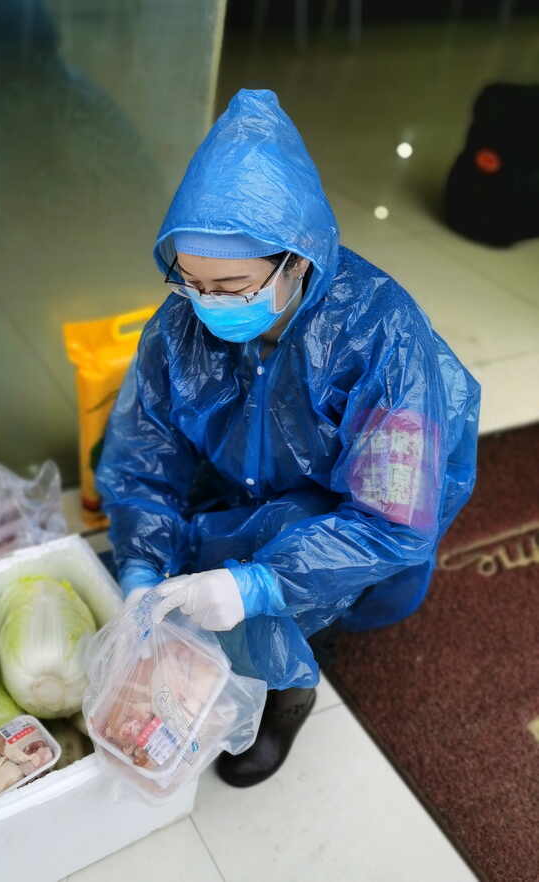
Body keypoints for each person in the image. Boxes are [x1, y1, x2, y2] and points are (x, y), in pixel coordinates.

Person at [95, 90, 480, 788]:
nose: (207, 304)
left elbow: (392, 519)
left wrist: (259, 584)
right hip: (240, 475)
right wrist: (141, 568)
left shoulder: (380, 336)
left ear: (297, 262)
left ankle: (288, 693)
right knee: (168, 540)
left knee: (271, 554)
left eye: (232, 285)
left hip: (339, 511)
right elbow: (141, 458)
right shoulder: (183, 322)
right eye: (189, 281)